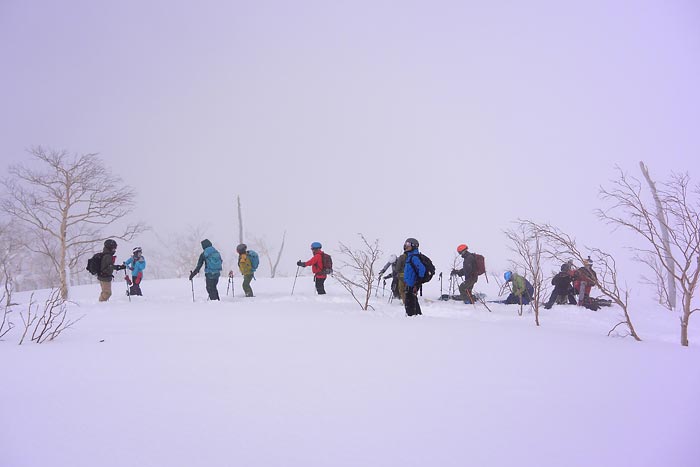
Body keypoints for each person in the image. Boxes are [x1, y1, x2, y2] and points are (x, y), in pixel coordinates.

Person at [403, 237, 425, 316]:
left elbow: (422, 269)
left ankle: (411, 317)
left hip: (413, 284)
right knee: (412, 300)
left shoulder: (414, 257)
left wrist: (418, 281)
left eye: (408, 244)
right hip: (409, 283)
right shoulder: (409, 256)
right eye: (406, 244)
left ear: (414, 246)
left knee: (410, 301)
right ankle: (417, 315)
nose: (406, 246)